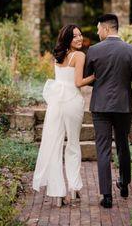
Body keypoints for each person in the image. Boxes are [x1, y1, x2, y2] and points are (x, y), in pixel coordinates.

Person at [84, 13, 132, 208]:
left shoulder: (94, 50)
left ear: (105, 29)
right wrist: (126, 76)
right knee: (122, 145)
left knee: (103, 149)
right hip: (123, 106)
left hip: (100, 106)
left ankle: (107, 196)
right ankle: (124, 184)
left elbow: (87, 77)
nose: (97, 33)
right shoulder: (131, 50)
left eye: (98, 29)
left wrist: (102, 78)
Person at [32, 24, 95, 207]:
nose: (79, 38)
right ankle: (74, 188)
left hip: (56, 101)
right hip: (71, 102)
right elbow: (78, 82)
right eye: (75, 36)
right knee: (73, 144)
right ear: (67, 38)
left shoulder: (58, 56)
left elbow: (62, 79)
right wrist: (94, 77)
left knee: (54, 144)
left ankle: (57, 194)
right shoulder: (80, 55)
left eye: (80, 35)